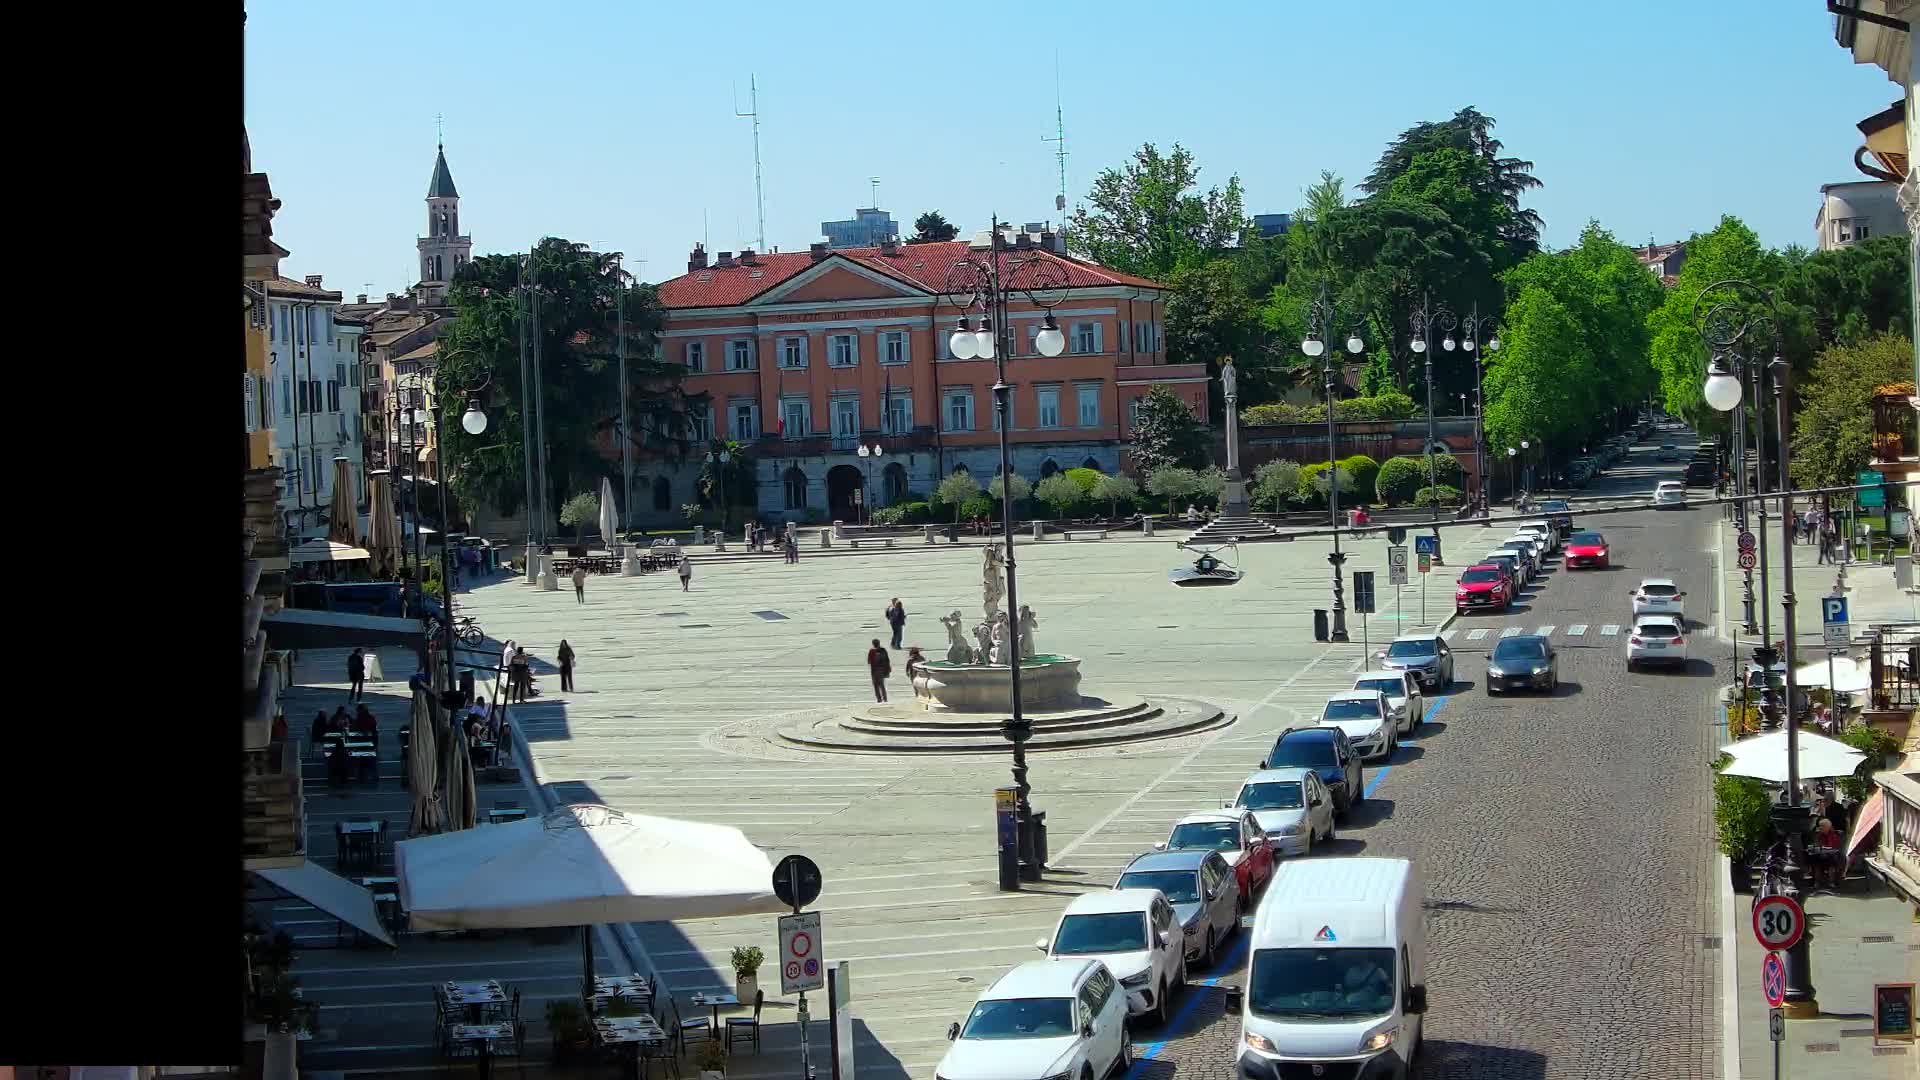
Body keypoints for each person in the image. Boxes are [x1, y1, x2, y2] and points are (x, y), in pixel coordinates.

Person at [1809, 818, 1844, 888]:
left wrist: (1824, 850)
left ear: (1828, 827)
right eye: (1820, 826)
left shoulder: (1834, 834)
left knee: (1832, 860)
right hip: (1821, 855)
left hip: (1832, 855)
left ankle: (1831, 882)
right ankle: (1817, 882)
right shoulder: (1818, 835)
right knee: (1814, 859)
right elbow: (1816, 845)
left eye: (1822, 826)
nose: (1820, 828)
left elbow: (1834, 847)